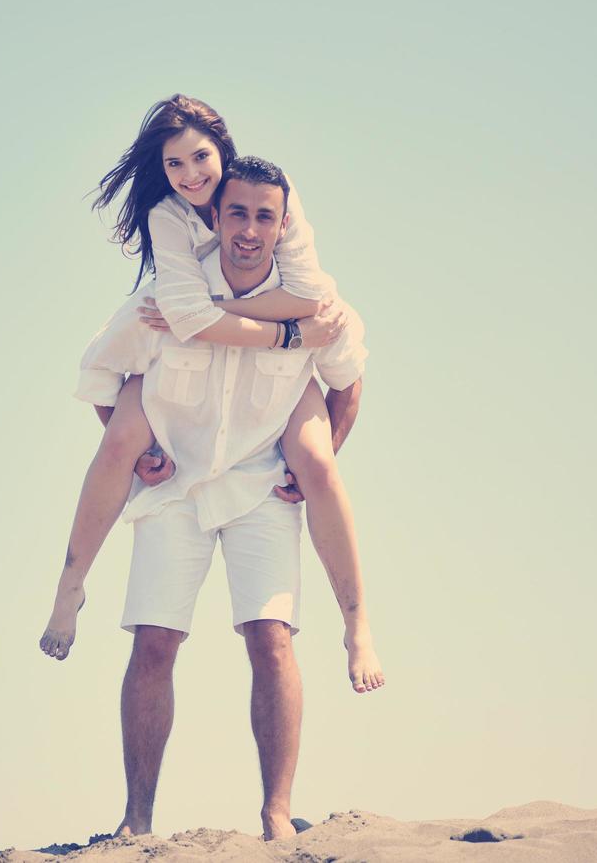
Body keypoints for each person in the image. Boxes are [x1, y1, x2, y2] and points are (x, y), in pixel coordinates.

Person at [39, 95, 384, 695]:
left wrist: (236, 320)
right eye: (175, 165)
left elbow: (310, 304)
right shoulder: (169, 224)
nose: (192, 175)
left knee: (321, 464)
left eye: (202, 157)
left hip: (259, 408)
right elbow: (101, 370)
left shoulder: (275, 198)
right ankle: (71, 585)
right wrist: (190, 320)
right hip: (177, 391)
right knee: (121, 436)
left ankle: (357, 628)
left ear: (225, 153)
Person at [77, 157, 373, 840]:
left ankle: (276, 815)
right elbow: (99, 373)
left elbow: (348, 382)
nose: (248, 229)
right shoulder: (170, 297)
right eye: (237, 213)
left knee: (272, 639)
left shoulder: (316, 303)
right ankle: (137, 818)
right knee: (154, 640)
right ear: (215, 216)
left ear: (283, 224)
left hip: (260, 486)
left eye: (264, 216)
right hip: (175, 488)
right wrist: (140, 454)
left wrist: (320, 457)